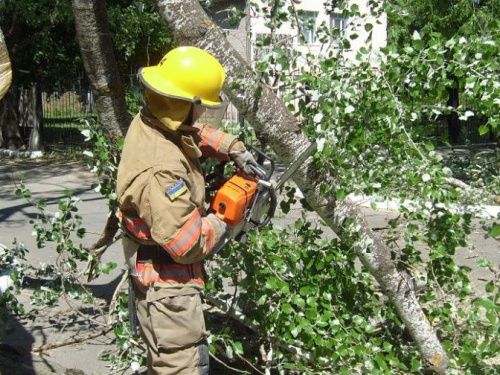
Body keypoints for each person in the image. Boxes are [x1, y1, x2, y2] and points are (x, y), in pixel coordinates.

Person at [116, 46, 257, 374]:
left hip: (156, 271)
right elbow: (187, 244)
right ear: (182, 105)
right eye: (198, 106)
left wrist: (230, 148)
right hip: (168, 288)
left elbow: (190, 133)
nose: (201, 114)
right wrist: (225, 215)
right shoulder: (161, 169)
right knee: (180, 366)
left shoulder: (153, 118)